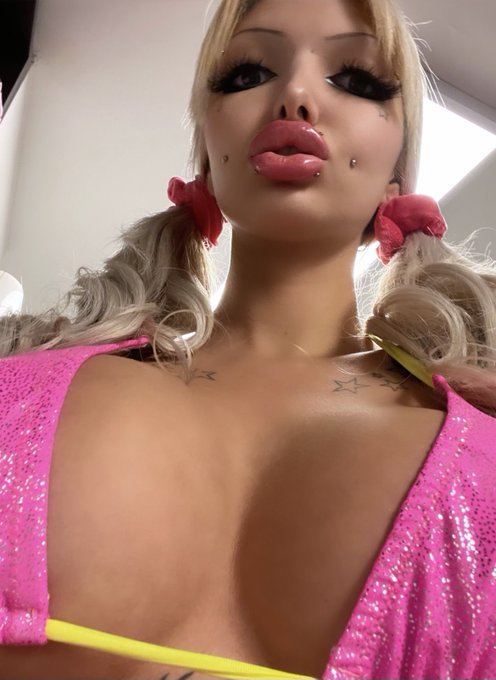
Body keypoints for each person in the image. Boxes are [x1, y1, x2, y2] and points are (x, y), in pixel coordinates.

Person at [1, 0, 496, 678]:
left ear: (397, 174)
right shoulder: (22, 389)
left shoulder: (481, 447)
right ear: (206, 153)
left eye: (356, 79)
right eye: (247, 74)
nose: (296, 94)